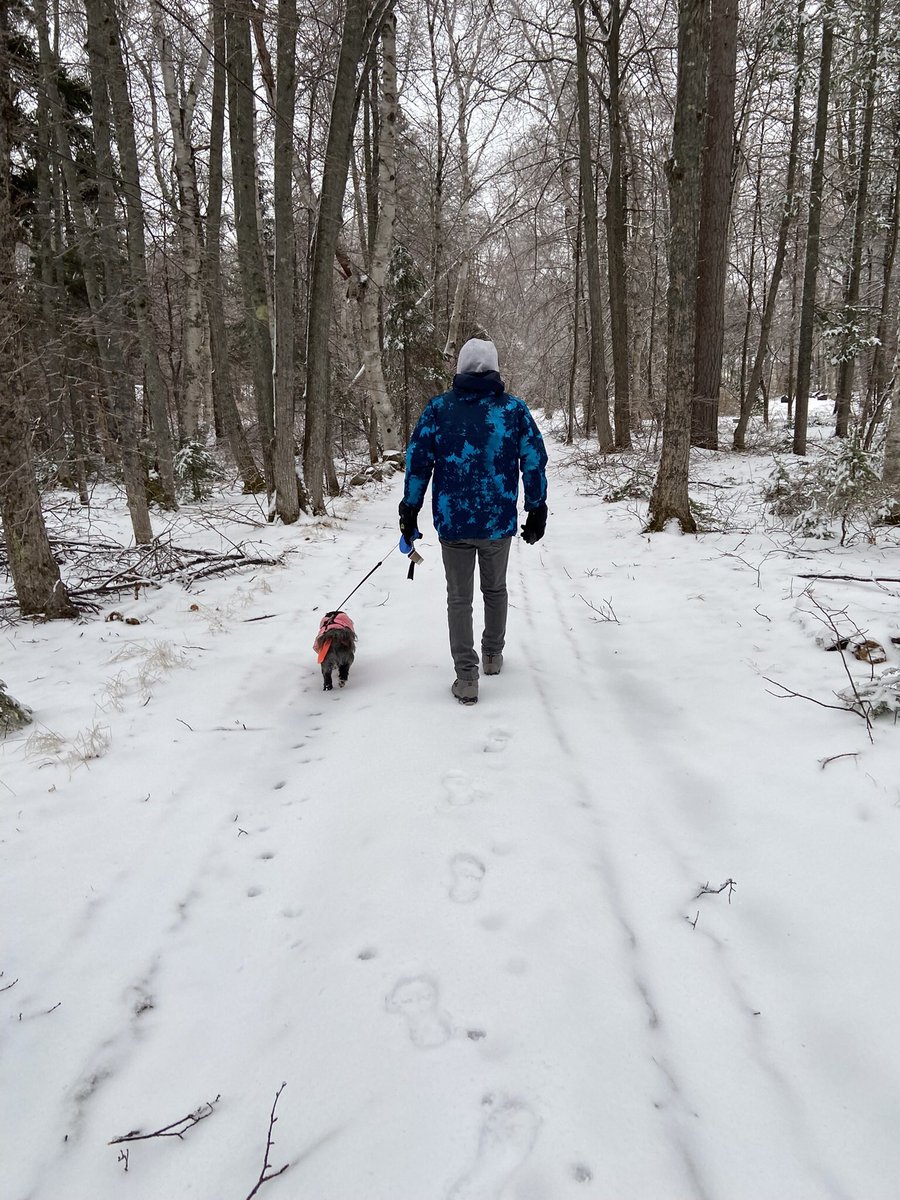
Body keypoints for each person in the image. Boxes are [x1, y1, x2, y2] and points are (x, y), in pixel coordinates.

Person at [398, 337, 548, 705]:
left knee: (459, 598)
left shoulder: (438, 410)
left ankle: (467, 678)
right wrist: (537, 506)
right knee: (495, 590)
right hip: (497, 522)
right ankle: (493, 657)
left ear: (461, 368)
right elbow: (533, 460)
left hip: (454, 522)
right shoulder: (513, 410)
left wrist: (410, 508)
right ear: (494, 368)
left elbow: (418, 462)